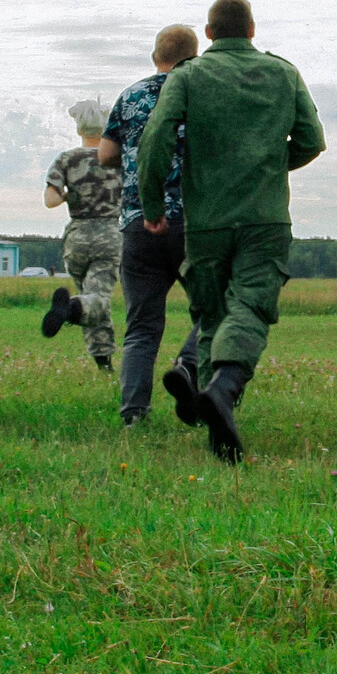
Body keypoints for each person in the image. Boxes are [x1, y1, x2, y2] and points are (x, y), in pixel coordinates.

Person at [139, 0, 326, 462]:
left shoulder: (187, 76)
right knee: (251, 305)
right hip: (265, 216)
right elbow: (311, 140)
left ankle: (213, 412)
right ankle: (223, 389)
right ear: (252, 29)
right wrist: (269, 164)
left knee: (211, 313)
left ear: (208, 34)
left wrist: (153, 201)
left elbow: (156, 137)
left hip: (206, 219)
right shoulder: (284, 73)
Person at [98, 24, 201, 426]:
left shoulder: (130, 95)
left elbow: (106, 155)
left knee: (141, 325)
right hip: (193, 223)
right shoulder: (201, 93)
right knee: (215, 309)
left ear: (155, 56)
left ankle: (134, 413)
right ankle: (188, 365)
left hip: (138, 222)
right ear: (195, 56)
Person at [40, 100, 122, 370]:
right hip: (109, 234)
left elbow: (50, 200)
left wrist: (67, 194)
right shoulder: (118, 156)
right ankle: (71, 309)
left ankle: (102, 361)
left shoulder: (67, 159)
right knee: (97, 299)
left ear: (79, 128)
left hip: (76, 237)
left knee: (91, 295)